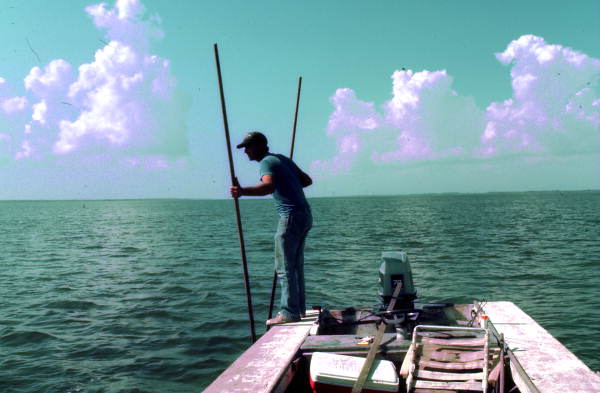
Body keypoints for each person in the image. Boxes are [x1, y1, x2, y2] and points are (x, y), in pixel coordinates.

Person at [230, 131, 313, 326]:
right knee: (295, 265)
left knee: (284, 266)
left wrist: (242, 191)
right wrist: (288, 180)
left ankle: (289, 312)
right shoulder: (281, 159)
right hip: (305, 215)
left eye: (247, 147)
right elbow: (307, 181)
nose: (245, 152)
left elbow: (268, 187)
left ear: (258, 146)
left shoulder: (266, 162)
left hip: (290, 216)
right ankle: (298, 309)